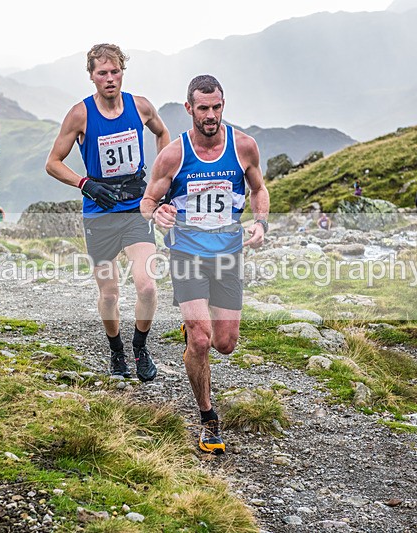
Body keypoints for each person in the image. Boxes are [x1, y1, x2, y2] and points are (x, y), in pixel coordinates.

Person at [141, 75, 269, 454]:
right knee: (201, 339)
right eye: (203, 109)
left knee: (225, 343)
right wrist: (157, 215)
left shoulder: (244, 146)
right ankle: (208, 417)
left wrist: (260, 222)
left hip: (228, 252)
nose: (210, 115)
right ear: (189, 109)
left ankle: (196, 336)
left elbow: (259, 189)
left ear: (223, 105)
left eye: (216, 107)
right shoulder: (174, 155)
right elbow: (148, 201)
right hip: (187, 254)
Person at [46, 43, 170, 383]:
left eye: (115, 71)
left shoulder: (140, 107)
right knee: (110, 292)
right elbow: (52, 163)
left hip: (134, 208)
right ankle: (116, 351)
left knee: (147, 287)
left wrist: (159, 178)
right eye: (103, 73)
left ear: (122, 72)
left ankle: (140, 348)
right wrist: (84, 182)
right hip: (99, 213)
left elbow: (163, 134)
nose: (110, 78)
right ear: (92, 76)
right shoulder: (80, 114)